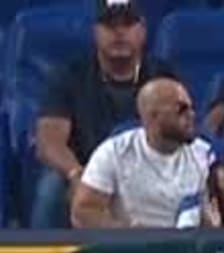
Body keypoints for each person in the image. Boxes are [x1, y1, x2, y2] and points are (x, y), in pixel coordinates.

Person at [33, 0, 175, 228]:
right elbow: (49, 141)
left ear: (143, 30)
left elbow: (177, 133)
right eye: (110, 25)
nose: (119, 33)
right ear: (95, 32)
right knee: (51, 188)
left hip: (147, 168)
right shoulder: (69, 76)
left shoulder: (163, 77)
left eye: (128, 24)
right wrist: (75, 174)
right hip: (84, 166)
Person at [73, 77, 212, 227]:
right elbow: (84, 211)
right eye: (181, 109)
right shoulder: (114, 153)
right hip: (132, 247)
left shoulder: (204, 154)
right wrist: (128, 235)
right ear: (152, 116)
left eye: (191, 108)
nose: (191, 115)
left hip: (187, 246)